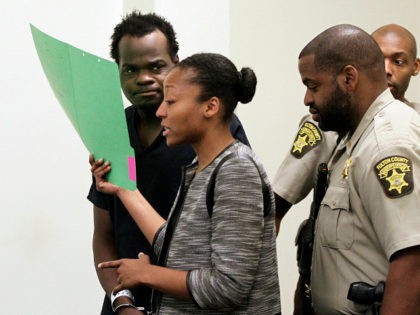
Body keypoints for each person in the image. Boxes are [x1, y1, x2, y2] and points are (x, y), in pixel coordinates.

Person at [91, 53, 281, 314]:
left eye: (171, 102)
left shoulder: (236, 169)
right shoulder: (200, 168)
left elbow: (228, 287)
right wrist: (124, 189)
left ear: (210, 107)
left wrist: (149, 274)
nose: (160, 112)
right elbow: (175, 244)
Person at [295, 24, 420, 314]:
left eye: (313, 86)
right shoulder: (352, 137)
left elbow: (412, 261)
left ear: (349, 78)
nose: (307, 99)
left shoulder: (387, 143)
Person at [272, 24, 420, 231]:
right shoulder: (327, 122)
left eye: (398, 61)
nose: (386, 69)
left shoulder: (412, 124)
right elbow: (276, 206)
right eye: (379, 59)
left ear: (415, 67)